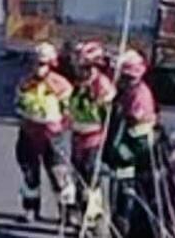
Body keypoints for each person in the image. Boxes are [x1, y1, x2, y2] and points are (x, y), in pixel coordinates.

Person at [14, 42, 75, 224]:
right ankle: (30, 209)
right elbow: (18, 105)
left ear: (50, 64)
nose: (36, 67)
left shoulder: (61, 85)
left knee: (60, 176)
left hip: (53, 137)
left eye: (40, 64)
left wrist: (59, 128)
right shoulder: (25, 83)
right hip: (29, 134)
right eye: (33, 63)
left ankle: (67, 213)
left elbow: (69, 113)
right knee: (30, 175)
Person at [106, 49, 160, 238]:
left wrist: (119, 154)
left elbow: (138, 140)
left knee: (125, 202)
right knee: (117, 200)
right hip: (123, 159)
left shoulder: (139, 96)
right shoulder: (127, 92)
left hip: (132, 162)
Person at [67, 41, 116, 226]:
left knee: (90, 176)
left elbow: (108, 117)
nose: (78, 70)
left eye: (83, 66)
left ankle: (92, 215)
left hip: (93, 139)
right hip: (77, 137)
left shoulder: (101, 87)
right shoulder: (80, 84)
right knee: (78, 174)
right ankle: (81, 210)